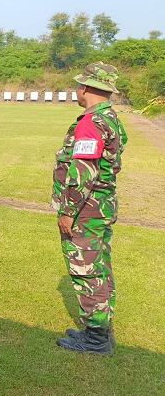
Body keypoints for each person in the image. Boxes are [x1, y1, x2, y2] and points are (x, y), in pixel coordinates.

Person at [53, 62, 126, 356]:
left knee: (86, 270)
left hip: (86, 210)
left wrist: (69, 211)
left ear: (85, 88)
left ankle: (96, 339)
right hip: (100, 206)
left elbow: (83, 171)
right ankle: (101, 331)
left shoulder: (91, 122)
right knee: (100, 267)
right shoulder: (111, 118)